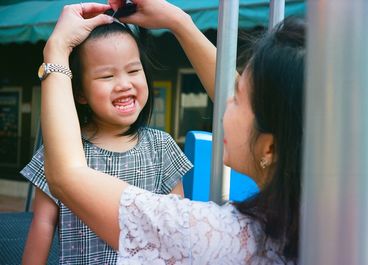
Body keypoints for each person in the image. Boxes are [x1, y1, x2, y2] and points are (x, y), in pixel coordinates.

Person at [40, 0, 305, 264]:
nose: (223, 101)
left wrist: (57, 50)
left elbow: (66, 175)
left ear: (269, 148)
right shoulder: (326, 228)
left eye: (236, 97)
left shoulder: (210, 238)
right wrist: (178, 22)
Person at [21, 11, 192, 265]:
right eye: (107, 76)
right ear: (80, 92)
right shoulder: (61, 151)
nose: (124, 84)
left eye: (134, 70)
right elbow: (43, 223)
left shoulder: (161, 146)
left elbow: (177, 224)